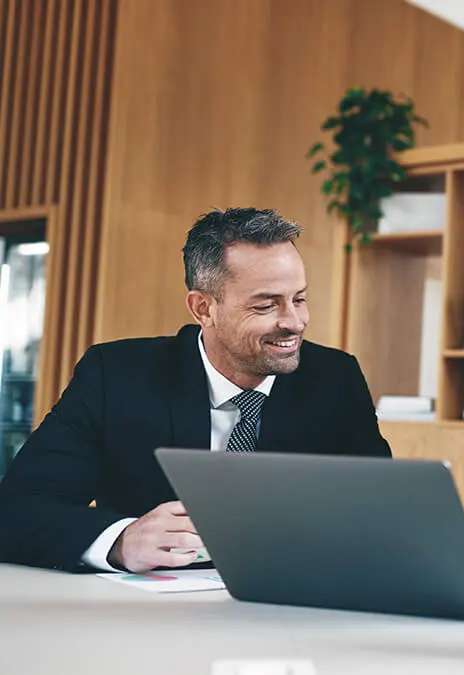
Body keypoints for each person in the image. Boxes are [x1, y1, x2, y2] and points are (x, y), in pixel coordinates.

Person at [0, 208, 391, 573]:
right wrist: (120, 541)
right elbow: (17, 510)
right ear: (203, 308)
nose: (294, 322)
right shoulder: (117, 376)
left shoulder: (335, 379)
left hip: (290, 611)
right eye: (266, 306)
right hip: (146, 620)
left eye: (299, 299)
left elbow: (380, 516)